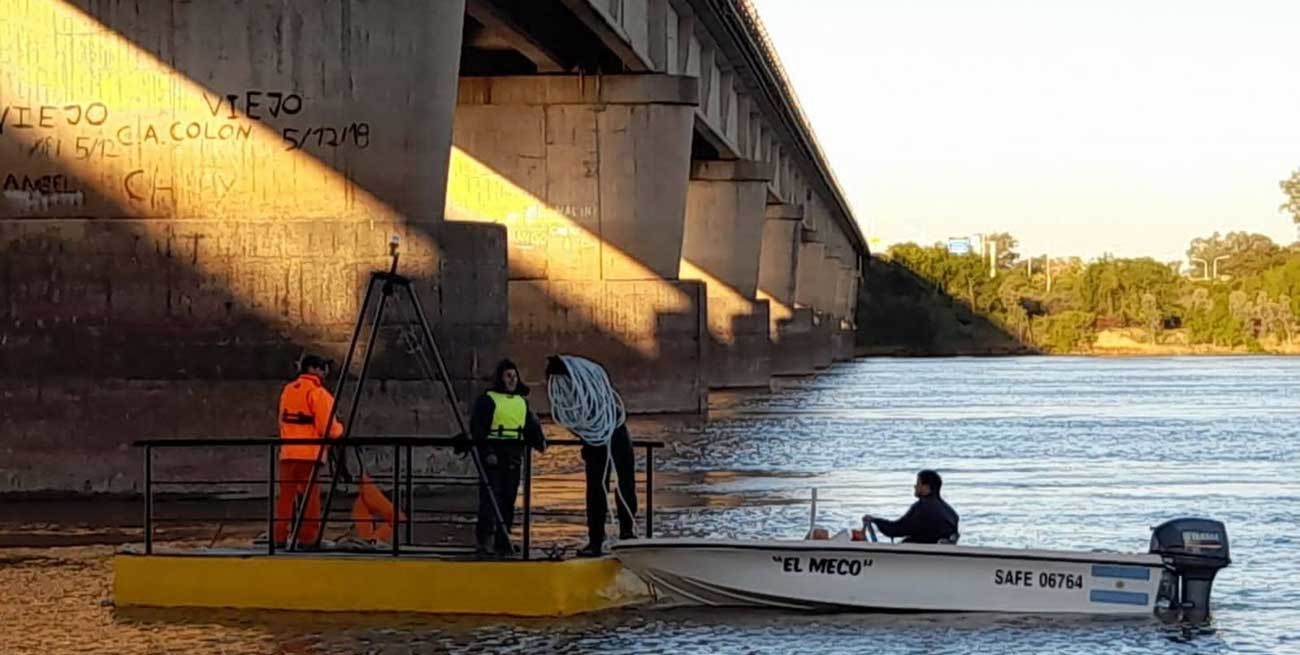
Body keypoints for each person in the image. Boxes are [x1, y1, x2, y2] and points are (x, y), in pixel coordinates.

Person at [544, 355, 638, 557]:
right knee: (597, 486)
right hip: (596, 438)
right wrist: (588, 434)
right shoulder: (572, 393)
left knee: (624, 481)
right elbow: (573, 418)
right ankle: (596, 539)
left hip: (614, 428)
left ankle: (627, 532)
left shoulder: (589, 385)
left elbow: (589, 411)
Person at [469, 359, 546, 558]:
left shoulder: (522, 403)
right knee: (489, 499)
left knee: (508, 500)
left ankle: (504, 541)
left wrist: (540, 442)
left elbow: (531, 426)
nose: (512, 380)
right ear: (500, 379)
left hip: (513, 455)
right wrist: (487, 453)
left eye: (514, 376)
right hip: (494, 454)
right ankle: (484, 542)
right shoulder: (487, 400)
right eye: (508, 376)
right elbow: (477, 429)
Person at [275, 354, 345, 548]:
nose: (325, 373)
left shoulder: (288, 390)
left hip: (288, 453)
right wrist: (340, 431)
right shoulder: (318, 393)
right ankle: (308, 539)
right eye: (323, 369)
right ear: (314, 369)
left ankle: (279, 538)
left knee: (285, 498)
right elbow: (327, 428)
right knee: (310, 500)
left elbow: (281, 420)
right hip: (309, 455)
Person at [862, 469, 959, 545]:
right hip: (938, 556)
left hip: (918, 557)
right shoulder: (952, 514)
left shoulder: (922, 508)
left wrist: (875, 520)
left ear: (926, 488)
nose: (915, 486)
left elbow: (896, 529)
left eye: (918, 483)